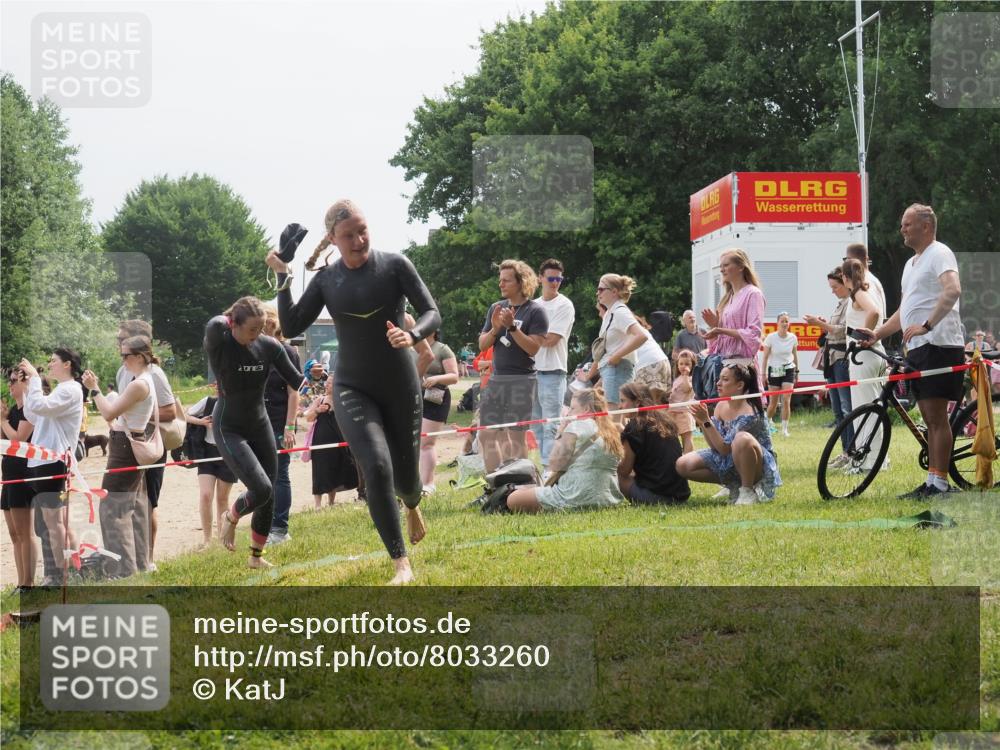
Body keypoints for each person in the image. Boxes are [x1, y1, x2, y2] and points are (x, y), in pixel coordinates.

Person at [267, 199, 441, 585]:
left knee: (408, 480)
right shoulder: (328, 281)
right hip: (351, 386)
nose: (359, 240)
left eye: (363, 231)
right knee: (376, 467)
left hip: (399, 384)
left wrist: (411, 334)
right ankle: (401, 562)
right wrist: (282, 275)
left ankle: (412, 504)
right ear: (333, 239)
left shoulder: (395, 265)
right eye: (349, 235)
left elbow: (433, 312)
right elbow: (292, 321)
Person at [859, 203, 963, 498]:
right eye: (902, 224)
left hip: (939, 343)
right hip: (919, 346)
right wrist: (877, 333)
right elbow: (905, 311)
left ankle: (939, 484)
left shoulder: (939, 253)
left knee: (935, 417)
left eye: (907, 224)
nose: (902, 229)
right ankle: (932, 481)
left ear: (926, 227)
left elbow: (952, 290)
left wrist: (927, 326)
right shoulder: (911, 264)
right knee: (929, 417)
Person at [204, 296, 302, 569]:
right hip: (229, 426)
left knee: (268, 494)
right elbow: (215, 322)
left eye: (261, 329)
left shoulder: (269, 346)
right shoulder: (220, 341)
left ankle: (256, 558)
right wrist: (235, 312)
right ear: (234, 324)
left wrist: (323, 383)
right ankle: (231, 517)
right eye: (252, 330)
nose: (257, 335)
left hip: (260, 424)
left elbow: (296, 379)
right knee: (261, 487)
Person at [84, 337, 162, 578]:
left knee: (112, 509)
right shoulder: (143, 380)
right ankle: (137, 565)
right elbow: (117, 416)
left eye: (125, 355)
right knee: (133, 509)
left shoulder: (139, 384)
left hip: (125, 450)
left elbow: (107, 410)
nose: (123, 360)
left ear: (140, 356)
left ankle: (123, 569)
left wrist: (94, 388)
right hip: (128, 445)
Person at [114, 320, 178, 570]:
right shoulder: (122, 372)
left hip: (150, 444)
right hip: (127, 443)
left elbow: (170, 411)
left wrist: (138, 413)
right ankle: (130, 558)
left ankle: (148, 560)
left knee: (148, 502)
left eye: (122, 340)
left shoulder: (155, 374)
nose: (118, 345)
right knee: (128, 502)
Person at [500, 388, 625, 513]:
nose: (568, 413)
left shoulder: (576, 425)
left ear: (586, 409)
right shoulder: (613, 431)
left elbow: (554, 464)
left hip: (574, 495)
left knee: (512, 499)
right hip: (608, 499)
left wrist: (561, 430)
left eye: (572, 408)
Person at [478, 259, 549, 473]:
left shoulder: (536, 311)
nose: (501, 284)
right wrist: (495, 328)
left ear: (521, 282)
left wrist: (512, 328)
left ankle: (521, 486)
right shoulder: (495, 309)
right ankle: (495, 485)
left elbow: (533, 348)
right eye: (500, 280)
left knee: (516, 436)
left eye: (506, 280)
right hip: (496, 380)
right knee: (486, 433)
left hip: (522, 381)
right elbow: (482, 345)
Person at [19, 350, 85, 579]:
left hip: (53, 461)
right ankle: (67, 571)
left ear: (67, 364)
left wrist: (36, 381)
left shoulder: (71, 389)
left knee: (56, 522)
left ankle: (68, 573)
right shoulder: (61, 390)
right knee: (53, 521)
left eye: (53, 361)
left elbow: (41, 408)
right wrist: (28, 388)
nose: (50, 365)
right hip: (43, 460)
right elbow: (35, 414)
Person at [676, 364, 781, 504]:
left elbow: (724, 448)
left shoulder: (750, 412)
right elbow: (715, 446)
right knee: (682, 464)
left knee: (741, 439)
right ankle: (733, 485)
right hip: (728, 458)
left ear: (740, 385)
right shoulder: (721, 405)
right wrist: (702, 422)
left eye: (725, 379)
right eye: (719, 379)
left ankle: (747, 490)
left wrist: (707, 421)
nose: (718, 383)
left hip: (755, 465)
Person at [804, 268, 854, 466]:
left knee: (846, 407)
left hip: (841, 358)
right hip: (832, 358)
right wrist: (823, 325)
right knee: (838, 410)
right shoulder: (841, 303)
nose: (833, 291)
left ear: (845, 284)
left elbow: (844, 331)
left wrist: (821, 325)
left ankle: (851, 451)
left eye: (835, 287)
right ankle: (845, 451)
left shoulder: (851, 302)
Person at [841, 259, 886, 472]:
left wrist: (863, 337)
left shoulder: (859, 292)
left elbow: (874, 312)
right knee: (872, 410)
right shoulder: (863, 289)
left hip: (865, 355)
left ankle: (868, 463)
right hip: (871, 355)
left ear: (845, 276)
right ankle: (876, 460)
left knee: (865, 411)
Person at [531, 259, 576, 470]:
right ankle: (545, 467)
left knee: (551, 425)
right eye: (551, 278)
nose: (555, 282)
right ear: (540, 278)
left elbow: (551, 340)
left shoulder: (564, 305)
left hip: (553, 372)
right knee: (537, 425)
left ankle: (553, 471)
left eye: (559, 278)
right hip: (532, 371)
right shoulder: (534, 305)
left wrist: (526, 337)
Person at [262, 305, 300, 544]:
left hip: (279, 420)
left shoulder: (287, 351)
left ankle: (280, 529)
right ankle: (264, 526)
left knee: (280, 474)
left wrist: (290, 426)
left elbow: (294, 392)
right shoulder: (256, 350)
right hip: (258, 422)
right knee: (262, 476)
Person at [617, 382, 690, 505]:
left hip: (658, 497)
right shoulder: (665, 420)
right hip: (681, 494)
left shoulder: (634, 427)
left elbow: (624, 471)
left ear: (637, 402)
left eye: (623, 401)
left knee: (616, 476)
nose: (620, 406)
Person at [184, 384, 237, 547]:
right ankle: (207, 540)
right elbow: (184, 415)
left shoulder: (237, 404)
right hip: (207, 452)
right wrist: (201, 421)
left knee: (222, 499)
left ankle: (223, 540)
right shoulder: (207, 401)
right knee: (206, 495)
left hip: (228, 453)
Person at [701, 249, 766, 371]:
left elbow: (753, 334)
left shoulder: (753, 293)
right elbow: (718, 344)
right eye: (721, 266)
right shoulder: (728, 298)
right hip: (725, 365)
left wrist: (720, 330)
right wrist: (715, 326)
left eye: (726, 265)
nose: (721, 269)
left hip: (743, 366)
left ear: (741, 267)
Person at [2, 367, 37, 592]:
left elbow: (18, 440)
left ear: (26, 383)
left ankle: (29, 583)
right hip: (9, 475)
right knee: (14, 534)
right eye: (9, 381)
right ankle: (21, 581)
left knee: (25, 533)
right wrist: (3, 419)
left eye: (14, 380)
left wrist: (2, 421)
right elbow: (4, 440)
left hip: (23, 475)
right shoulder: (14, 410)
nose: (10, 385)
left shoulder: (31, 411)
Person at [304, 371, 359, 507]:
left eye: (330, 383)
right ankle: (317, 505)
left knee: (335, 469)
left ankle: (331, 502)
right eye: (326, 382)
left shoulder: (341, 401)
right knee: (319, 470)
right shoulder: (319, 399)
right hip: (320, 441)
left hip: (338, 441)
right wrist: (317, 411)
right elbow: (308, 418)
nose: (327, 385)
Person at [594, 274, 644, 412]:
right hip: (613, 369)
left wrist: (616, 356)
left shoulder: (619, 311)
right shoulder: (611, 312)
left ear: (614, 292)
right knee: (617, 417)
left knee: (613, 415)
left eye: (601, 289)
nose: (597, 293)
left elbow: (641, 336)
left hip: (618, 368)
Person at [418, 330, 459, 495]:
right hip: (413, 397)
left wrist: (436, 379)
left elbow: (454, 377)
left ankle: (428, 484)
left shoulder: (442, 349)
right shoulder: (411, 346)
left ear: (434, 330)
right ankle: (416, 483)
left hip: (435, 398)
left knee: (426, 443)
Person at [761, 312, 799, 438]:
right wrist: (763, 373)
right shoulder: (771, 337)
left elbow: (795, 355)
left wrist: (797, 371)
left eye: (786, 321)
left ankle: (784, 429)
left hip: (788, 369)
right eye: (782, 321)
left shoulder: (793, 337)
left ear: (789, 324)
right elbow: (765, 357)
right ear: (777, 323)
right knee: (773, 402)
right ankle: (766, 424)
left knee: (787, 399)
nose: (784, 324)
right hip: (774, 370)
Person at [845, 244, 886, 323]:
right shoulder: (871, 279)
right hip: (863, 334)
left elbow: (874, 312)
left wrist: (863, 335)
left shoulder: (863, 281)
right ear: (866, 258)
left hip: (865, 335)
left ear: (849, 260)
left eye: (846, 260)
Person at [669, 349, 698, 454]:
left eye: (687, 364)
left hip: (684, 413)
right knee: (673, 437)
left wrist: (686, 375)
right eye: (681, 363)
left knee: (687, 437)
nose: (683, 366)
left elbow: (687, 389)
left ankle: (689, 457)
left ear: (692, 365)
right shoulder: (677, 379)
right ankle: (679, 455)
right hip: (674, 413)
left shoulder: (690, 378)